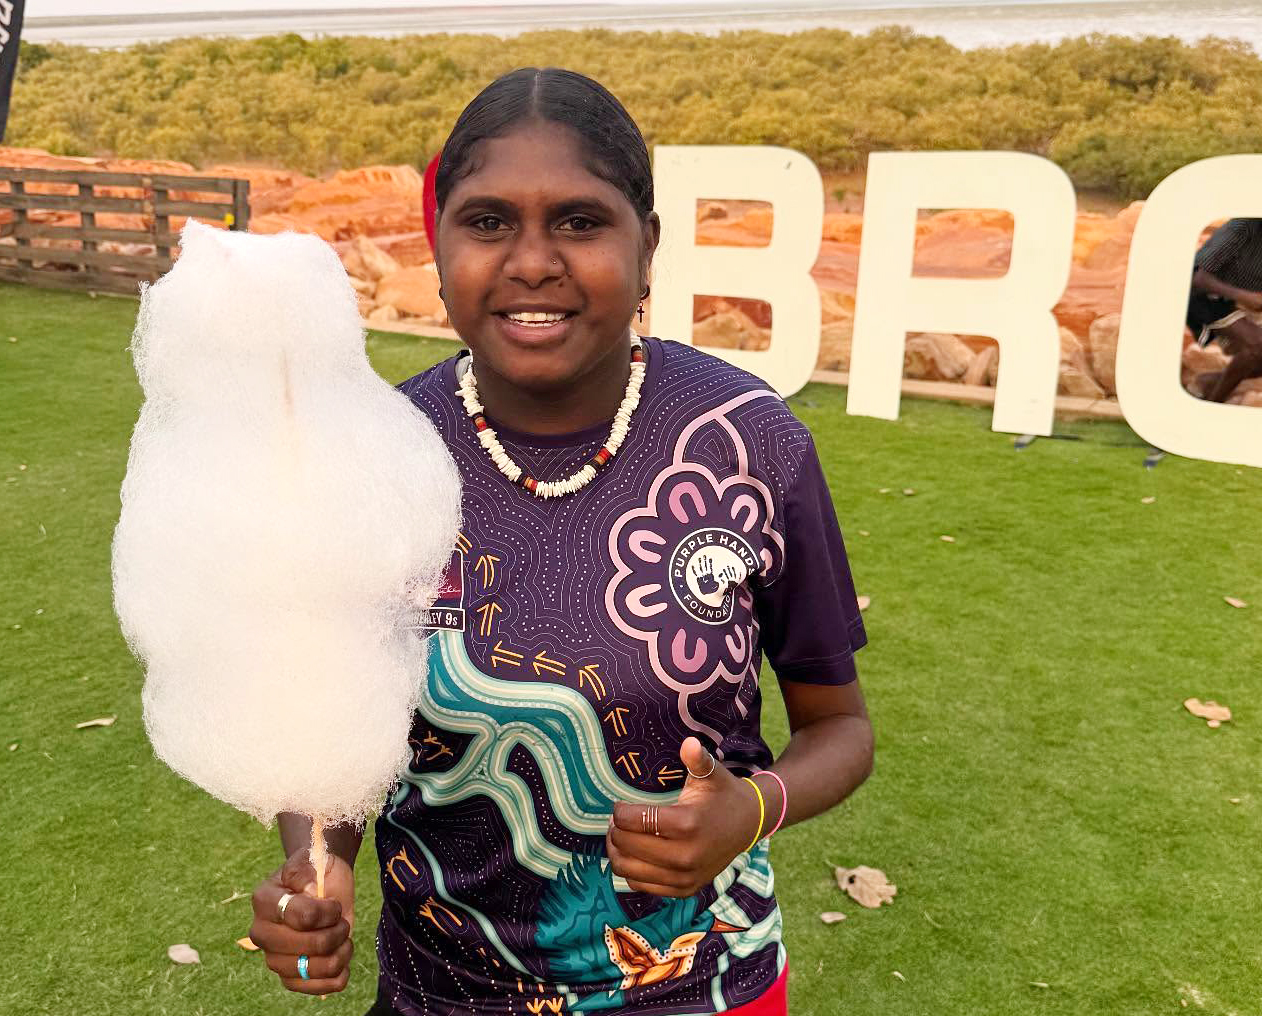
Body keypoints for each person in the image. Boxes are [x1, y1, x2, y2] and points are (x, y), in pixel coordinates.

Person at [249, 67, 874, 1016]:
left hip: (702, 990)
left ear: (647, 246)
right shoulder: (375, 455)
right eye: (488, 221)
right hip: (438, 993)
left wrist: (751, 809)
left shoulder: (752, 442)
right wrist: (314, 863)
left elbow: (840, 729)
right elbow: (329, 749)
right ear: (439, 241)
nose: (532, 261)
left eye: (580, 222)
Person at [1186, 217, 1262, 402]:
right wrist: (1244, 297)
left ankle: (1209, 380)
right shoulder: (1243, 227)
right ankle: (1215, 402)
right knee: (1258, 341)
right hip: (1206, 297)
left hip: (1245, 300)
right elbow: (1198, 278)